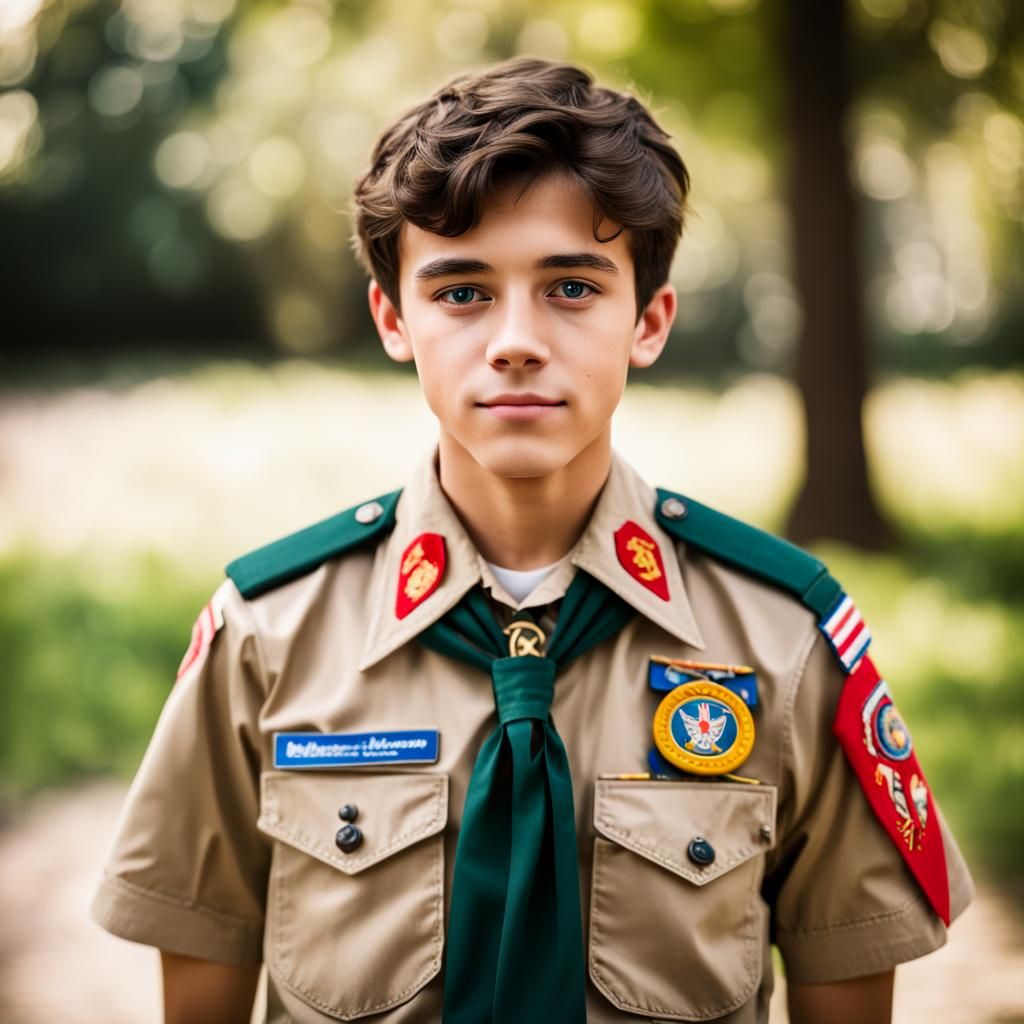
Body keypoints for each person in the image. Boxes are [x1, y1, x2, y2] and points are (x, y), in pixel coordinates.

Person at [91, 58, 973, 1024]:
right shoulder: (267, 638)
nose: (515, 339)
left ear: (649, 320)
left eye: (571, 287)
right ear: (394, 320)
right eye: (462, 292)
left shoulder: (787, 644)